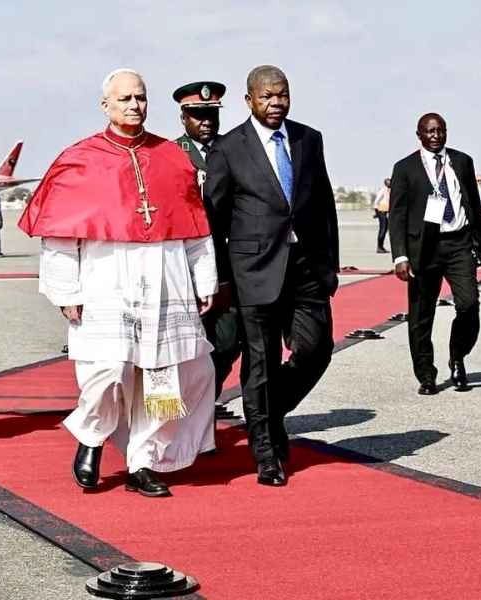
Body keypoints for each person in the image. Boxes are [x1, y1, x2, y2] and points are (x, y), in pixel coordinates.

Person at [18, 68, 218, 497]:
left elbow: (195, 228)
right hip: (106, 280)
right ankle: (92, 434)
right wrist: (65, 291)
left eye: (140, 97)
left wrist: (204, 280)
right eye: (124, 98)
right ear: (105, 104)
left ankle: (145, 460)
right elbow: (59, 237)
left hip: (166, 279)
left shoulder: (171, 156)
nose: (134, 105)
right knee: (106, 370)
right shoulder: (80, 158)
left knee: (163, 376)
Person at [204, 65, 339, 486]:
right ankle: (266, 453)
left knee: (317, 349)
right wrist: (222, 279)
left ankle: (267, 409)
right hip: (254, 271)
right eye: (266, 96)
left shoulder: (308, 139)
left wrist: (330, 265)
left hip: (306, 267)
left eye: (282, 95)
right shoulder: (229, 148)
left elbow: (324, 204)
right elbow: (214, 220)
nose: (276, 103)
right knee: (260, 362)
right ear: (249, 100)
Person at [388, 113, 481, 395]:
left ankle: (457, 356)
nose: (435, 136)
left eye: (440, 130)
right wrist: (400, 256)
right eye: (429, 131)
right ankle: (426, 375)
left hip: (458, 244)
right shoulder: (405, 168)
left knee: (469, 304)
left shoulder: (462, 161)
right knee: (421, 315)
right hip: (423, 248)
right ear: (419, 135)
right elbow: (397, 215)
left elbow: (472, 203)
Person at [172, 80, 240, 408]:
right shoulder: (171, 155)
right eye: (198, 115)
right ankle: (189, 413)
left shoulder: (235, 150)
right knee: (183, 348)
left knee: (228, 341)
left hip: (226, 264)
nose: (206, 121)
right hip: (183, 266)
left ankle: (204, 402)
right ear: (184, 117)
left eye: (211, 114)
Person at [373, 178, 391, 253]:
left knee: (385, 229)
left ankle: (381, 247)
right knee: (383, 229)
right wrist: (377, 212)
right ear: (385, 183)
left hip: (386, 212)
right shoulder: (383, 190)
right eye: (388, 183)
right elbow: (376, 201)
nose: (390, 184)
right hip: (381, 212)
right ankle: (379, 247)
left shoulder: (389, 191)